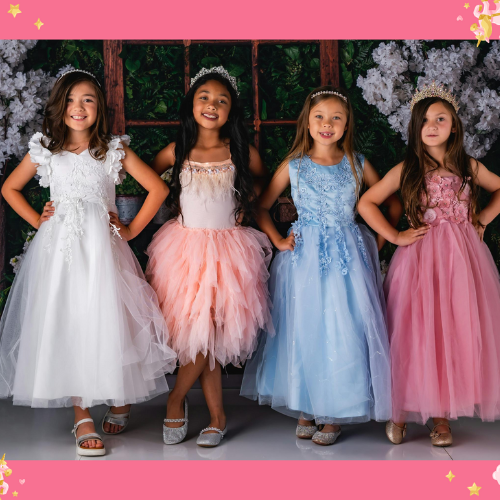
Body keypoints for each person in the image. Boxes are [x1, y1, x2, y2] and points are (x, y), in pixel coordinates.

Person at [0, 70, 177, 456]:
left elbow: (158, 187)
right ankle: (81, 414)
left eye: (88, 100)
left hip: (102, 253)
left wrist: (129, 231)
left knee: (107, 320)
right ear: (58, 107)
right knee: (68, 322)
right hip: (61, 254)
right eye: (71, 100)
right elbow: (9, 188)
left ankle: (118, 394)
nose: (78, 108)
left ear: (99, 109)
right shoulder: (46, 150)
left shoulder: (112, 150)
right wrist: (37, 219)